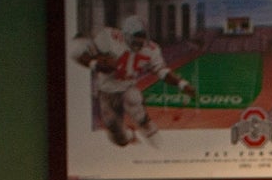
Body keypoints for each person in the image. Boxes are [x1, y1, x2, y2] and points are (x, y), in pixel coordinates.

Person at [76, 13, 194, 146]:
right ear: (125, 35)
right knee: (116, 134)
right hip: (106, 90)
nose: (139, 42)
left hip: (128, 87)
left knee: (138, 109)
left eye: (142, 38)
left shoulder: (151, 48)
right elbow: (82, 54)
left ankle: (157, 143)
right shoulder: (108, 37)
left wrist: (182, 84)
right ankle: (129, 135)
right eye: (135, 38)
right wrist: (96, 64)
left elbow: (162, 71)